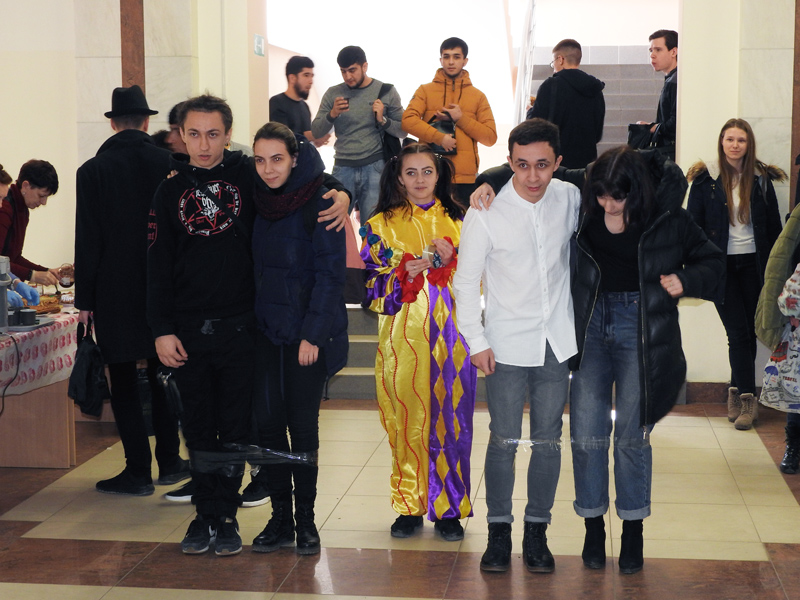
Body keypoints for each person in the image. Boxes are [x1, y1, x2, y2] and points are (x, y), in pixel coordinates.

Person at [570, 147, 722, 574]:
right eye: (602, 196)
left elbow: (713, 260)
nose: (608, 205)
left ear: (637, 191)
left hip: (639, 326)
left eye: (618, 198)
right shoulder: (584, 202)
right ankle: (593, 525)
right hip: (591, 323)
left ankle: (632, 528)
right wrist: (486, 183)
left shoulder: (669, 218)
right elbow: (533, 169)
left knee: (632, 436)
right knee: (586, 434)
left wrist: (685, 279)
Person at [452, 119, 580, 574]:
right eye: (522, 165)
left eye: (542, 165)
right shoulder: (486, 210)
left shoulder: (570, 198)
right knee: (503, 440)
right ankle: (499, 531)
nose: (532, 176)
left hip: (555, 341)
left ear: (557, 163)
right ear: (509, 162)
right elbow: (465, 282)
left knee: (548, 441)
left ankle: (537, 531)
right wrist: (476, 340)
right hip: (503, 346)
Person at [76, 85, 189, 497]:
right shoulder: (170, 164)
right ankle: (171, 461)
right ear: (146, 121)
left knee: (123, 379)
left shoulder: (92, 171)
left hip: (114, 291)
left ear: (112, 123)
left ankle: (137, 471)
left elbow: (88, 239)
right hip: (163, 287)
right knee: (163, 372)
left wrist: (84, 301)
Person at [361, 143, 477, 541]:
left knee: (451, 422)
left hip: (453, 340)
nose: (420, 180)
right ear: (398, 177)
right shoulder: (380, 226)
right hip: (402, 341)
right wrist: (402, 274)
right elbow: (371, 289)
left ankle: (449, 508)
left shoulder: (462, 221)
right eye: (411, 172)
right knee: (406, 422)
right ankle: (408, 505)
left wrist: (455, 260)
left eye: (427, 171)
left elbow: (482, 278)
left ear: (439, 174)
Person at [248, 123, 348, 556]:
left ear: (294, 158)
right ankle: (280, 519)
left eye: (277, 159)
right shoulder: (254, 199)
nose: (268, 169)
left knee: (302, 428)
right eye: (260, 160)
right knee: (269, 427)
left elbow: (331, 277)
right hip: (264, 335)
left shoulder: (321, 201)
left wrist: (313, 335)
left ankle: (306, 520)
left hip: (308, 338)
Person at [687, 118, 784, 430]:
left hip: (754, 265)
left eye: (741, 140)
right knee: (738, 333)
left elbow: (774, 228)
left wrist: (778, 271)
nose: (735, 145)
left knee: (749, 333)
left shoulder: (761, 179)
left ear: (748, 144)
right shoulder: (706, 179)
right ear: (721, 142)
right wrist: (696, 268)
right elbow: (692, 227)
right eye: (729, 139)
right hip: (721, 267)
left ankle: (736, 393)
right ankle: (747, 399)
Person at [311, 45, 406, 225]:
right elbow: (316, 131)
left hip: (375, 167)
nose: (348, 76)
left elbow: (403, 129)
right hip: (343, 167)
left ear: (365, 66)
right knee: (333, 224)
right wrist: (332, 114)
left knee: (373, 228)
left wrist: (383, 120)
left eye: (352, 70)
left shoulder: (386, 91)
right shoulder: (333, 93)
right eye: (343, 71)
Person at [402, 37, 497, 205]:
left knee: (464, 223)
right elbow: (407, 121)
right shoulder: (425, 90)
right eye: (446, 56)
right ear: (440, 60)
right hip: (429, 177)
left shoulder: (478, 96)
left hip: (465, 180)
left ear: (465, 61)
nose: (451, 61)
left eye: (456, 57)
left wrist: (461, 118)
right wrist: (439, 138)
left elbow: (490, 138)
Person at [526, 39, 605, 169]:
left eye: (553, 62)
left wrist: (530, 111)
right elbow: (597, 134)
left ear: (560, 59)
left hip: (557, 163)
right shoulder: (595, 89)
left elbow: (535, 126)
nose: (553, 67)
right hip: (586, 164)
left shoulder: (551, 85)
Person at [0, 160, 60, 286]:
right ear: (26, 186)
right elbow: (1, 261)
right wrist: (31, 275)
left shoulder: (22, 210)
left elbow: (14, 258)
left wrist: (46, 272)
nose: (44, 202)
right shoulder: (5, 207)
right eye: (41, 195)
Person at [269, 56, 330, 147]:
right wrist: (313, 135)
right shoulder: (277, 102)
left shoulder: (304, 106)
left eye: (312, 76)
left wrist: (316, 141)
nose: (311, 81)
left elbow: (305, 142)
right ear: (292, 78)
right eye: (306, 75)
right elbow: (282, 138)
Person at [637, 29, 678, 159]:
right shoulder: (673, 79)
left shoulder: (675, 82)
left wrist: (652, 128)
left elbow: (675, 123)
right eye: (651, 50)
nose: (652, 55)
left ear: (674, 52)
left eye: (658, 50)